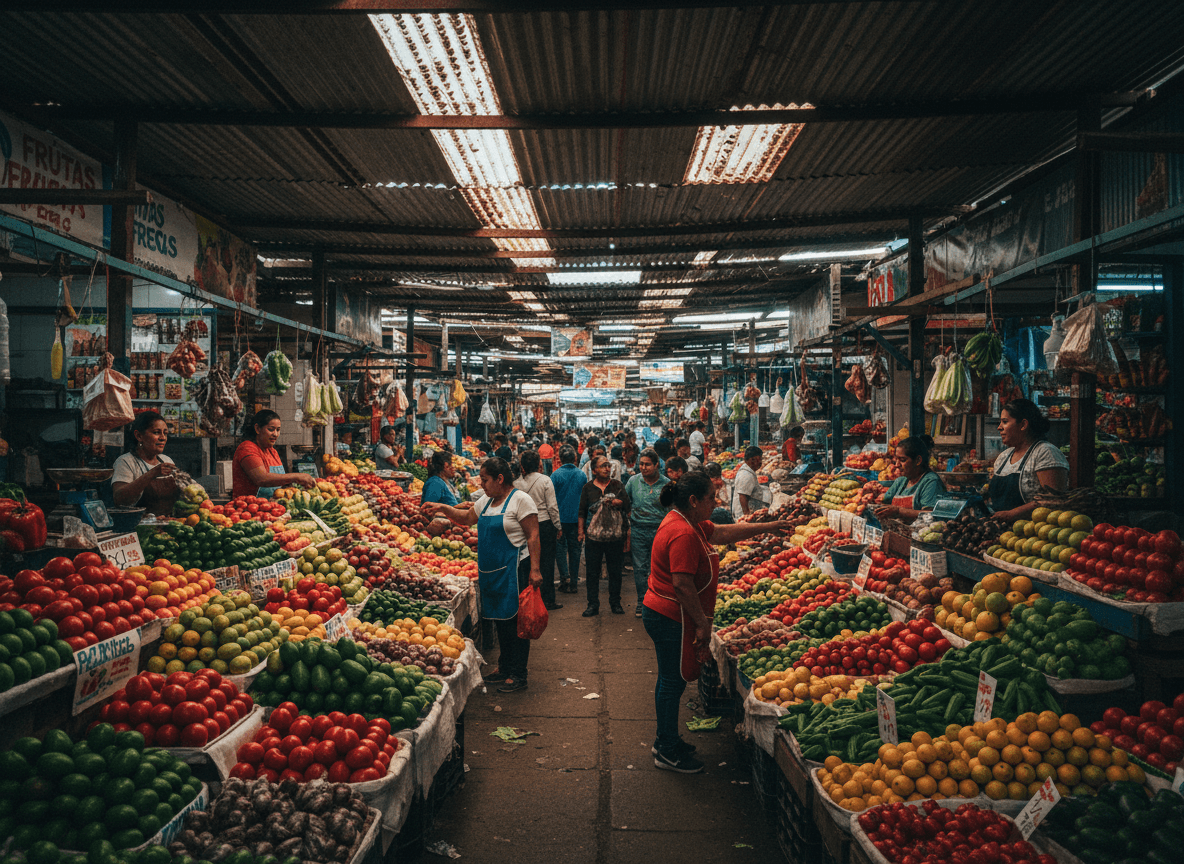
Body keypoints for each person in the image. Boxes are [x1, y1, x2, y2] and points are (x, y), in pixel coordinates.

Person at [643, 471, 797, 772]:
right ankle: (665, 749)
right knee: (672, 683)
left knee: (670, 680)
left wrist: (771, 526)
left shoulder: (689, 523)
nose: (716, 502)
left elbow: (724, 533)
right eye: (711, 498)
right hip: (669, 616)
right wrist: (702, 624)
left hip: (668, 613)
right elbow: (682, 584)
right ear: (693, 501)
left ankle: (667, 739)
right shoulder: (683, 533)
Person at [423, 457, 541, 693]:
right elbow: (466, 519)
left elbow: (533, 536)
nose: (482, 485)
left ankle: (519, 674)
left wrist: (536, 569)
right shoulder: (486, 502)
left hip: (513, 570)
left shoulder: (521, 500)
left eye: (485, 480)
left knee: (515, 622)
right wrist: (444, 508)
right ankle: (504, 666)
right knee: (499, 620)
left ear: (500, 479)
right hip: (490, 572)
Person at [987, 398, 1069, 521]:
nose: (999, 427)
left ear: (1023, 425)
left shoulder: (1045, 453)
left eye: (1005, 422)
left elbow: (1054, 500)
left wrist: (1013, 514)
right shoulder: (1003, 457)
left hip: (1035, 533)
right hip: (1001, 530)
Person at [578, 455, 631, 616]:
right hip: (594, 537)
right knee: (592, 572)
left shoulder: (617, 485)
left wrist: (619, 503)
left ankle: (615, 603)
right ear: (594, 470)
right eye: (603, 466)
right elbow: (581, 511)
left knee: (615, 571)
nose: (607, 468)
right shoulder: (588, 488)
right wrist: (581, 531)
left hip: (615, 537)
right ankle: (592, 604)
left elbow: (628, 506)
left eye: (608, 465)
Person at [515, 450, 563, 610]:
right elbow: (552, 507)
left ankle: (527, 597)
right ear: (539, 464)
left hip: (525, 525)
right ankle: (548, 599)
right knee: (547, 563)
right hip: (544, 524)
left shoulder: (517, 483)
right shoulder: (545, 480)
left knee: (527, 561)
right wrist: (558, 525)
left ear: (523, 466)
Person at [624, 449, 669, 617]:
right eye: (641, 464)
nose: (643, 467)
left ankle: (660, 602)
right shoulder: (633, 482)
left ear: (656, 465)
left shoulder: (667, 484)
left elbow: (671, 509)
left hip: (660, 532)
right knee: (640, 568)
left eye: (647, 464)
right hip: (638, 531)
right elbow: (626, 502)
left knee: (659, 568)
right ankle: (642, 602)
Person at [232, 410, 317, 498]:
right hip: (249, 508)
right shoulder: (247, 448)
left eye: (278, 430)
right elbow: (261, 479)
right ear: (257, 429)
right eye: (271, 429)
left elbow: (280, 483)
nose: (275, 434)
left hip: (272, 507)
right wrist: (296, 477)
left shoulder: (273, 452)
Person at [112, 411, 181, 516]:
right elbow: (120, 499)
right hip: (139, 527)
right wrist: (153, 473)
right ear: (139, 436)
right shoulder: (126, 462)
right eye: (156, 432)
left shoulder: (166, 460)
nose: (163, 438)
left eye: (165, 433)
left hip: (167, 524)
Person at [874, 436, 946, 523]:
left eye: (902, 460)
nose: (897, 465)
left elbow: (930, 515)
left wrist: (899, 512)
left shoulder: (931, 482)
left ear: (918, 460)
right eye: (896, 459)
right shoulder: (901, 481)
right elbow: (883, 501)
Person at [551, 445, 586, 595]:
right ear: (575, 459)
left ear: (559, 459)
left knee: (560, 549)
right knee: (575, 550)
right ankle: (573, 582)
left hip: (560, 520)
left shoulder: (555, 475)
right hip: (577, 519)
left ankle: (564, 577)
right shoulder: (581, 475)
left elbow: (551, 499)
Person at [731, 445, 770, 519]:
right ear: (752, 460)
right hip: (743, 515)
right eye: (759, 460)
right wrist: (747, 515)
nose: (760, 463)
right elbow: (742, 496)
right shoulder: (746, 475)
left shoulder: (748, 471)